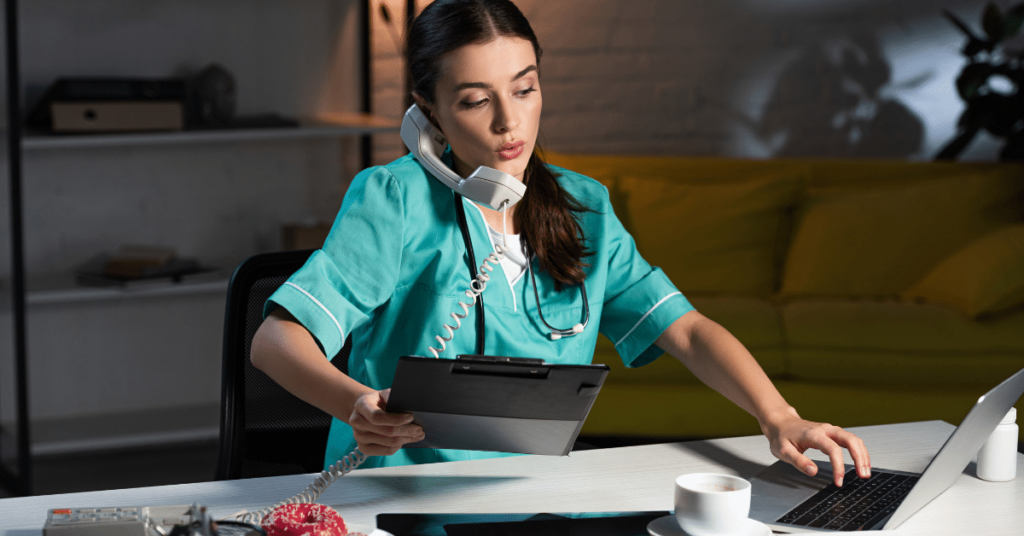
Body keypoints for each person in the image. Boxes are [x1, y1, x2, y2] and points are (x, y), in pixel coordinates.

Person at [251, 0, 871, 486]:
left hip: (540, 495)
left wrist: (780, 417)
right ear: (429, 113)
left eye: (524, 89)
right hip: (403, 496)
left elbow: (683, 329)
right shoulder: (394, 199)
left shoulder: (585, 207)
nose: (509, 122)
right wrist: (357, 404)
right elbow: (275, 342)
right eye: (475, 101)